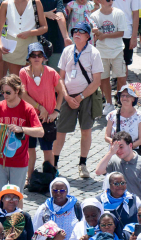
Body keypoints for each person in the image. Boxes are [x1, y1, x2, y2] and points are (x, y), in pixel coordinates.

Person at [0, 76, 43, 213]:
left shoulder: (27, 109)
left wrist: (21, 129)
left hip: (19, 161)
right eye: (2, 92)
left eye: (8, 92)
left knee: (17, 197)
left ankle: (16, 227)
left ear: (17, 91)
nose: (4, 95)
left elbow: (40, 132)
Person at [53, 23, 102, 179]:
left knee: (86, 130)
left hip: (86, 97)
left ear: (88, 36)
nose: (77, 34)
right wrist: (66, 96)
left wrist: (80, 97)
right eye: (75, 31)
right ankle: (53, 165)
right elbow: (60, 78)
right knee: (60, 131)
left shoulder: (94, 53)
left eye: (81, 32)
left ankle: (82, 164)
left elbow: (96, 82)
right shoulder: (67, 51)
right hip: (68, 96)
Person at [19, 43, 61, 177]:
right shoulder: (23, 72)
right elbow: (23, 94)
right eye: (33, 55)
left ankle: (49, 177)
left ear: (44, 57)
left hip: (47, 118)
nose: (36, 57)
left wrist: (56, 111)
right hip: (30, 117)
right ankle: (29, 177)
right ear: (29, 58)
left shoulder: (51, 72)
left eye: (39, 55)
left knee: (48, 150)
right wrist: (39, 107)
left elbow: (61, 92)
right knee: (30, 149)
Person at [95, 131, 141, 202]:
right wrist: (110, 153)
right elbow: (98, 171)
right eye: (116, 148)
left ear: (130, 145)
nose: (118, 151)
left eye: (121, 147)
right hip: (117, 204)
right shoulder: (114, 160)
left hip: (137, 206)